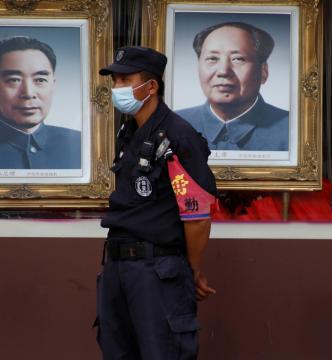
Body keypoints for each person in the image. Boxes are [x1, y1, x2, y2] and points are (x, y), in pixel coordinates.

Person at [95, 46, 218, 359]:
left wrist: (190, 270)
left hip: (156, 272)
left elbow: (197, 214)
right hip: (118, 270)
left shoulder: (177, 137)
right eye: (116, 81)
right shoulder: (129, 132)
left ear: (151, 87)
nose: (118, 88)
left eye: (125, 80)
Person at [0, 36, 80, 169]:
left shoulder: (83, 145)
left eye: (40, 80)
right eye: (14, 80)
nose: (29, 93)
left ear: (53, 85)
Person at [177, 21, 289, 151]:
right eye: (212, 58)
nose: (223, 71)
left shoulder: (295, 130)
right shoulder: (173, 124)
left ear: (263, 72)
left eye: (238, 59)